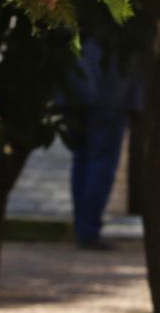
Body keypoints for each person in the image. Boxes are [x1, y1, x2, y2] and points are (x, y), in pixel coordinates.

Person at [59, 32, 143, 249]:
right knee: (100, 160)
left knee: (83, 158)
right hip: (109, 92)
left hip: (76, 87)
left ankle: (83, 227)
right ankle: (88, 230)